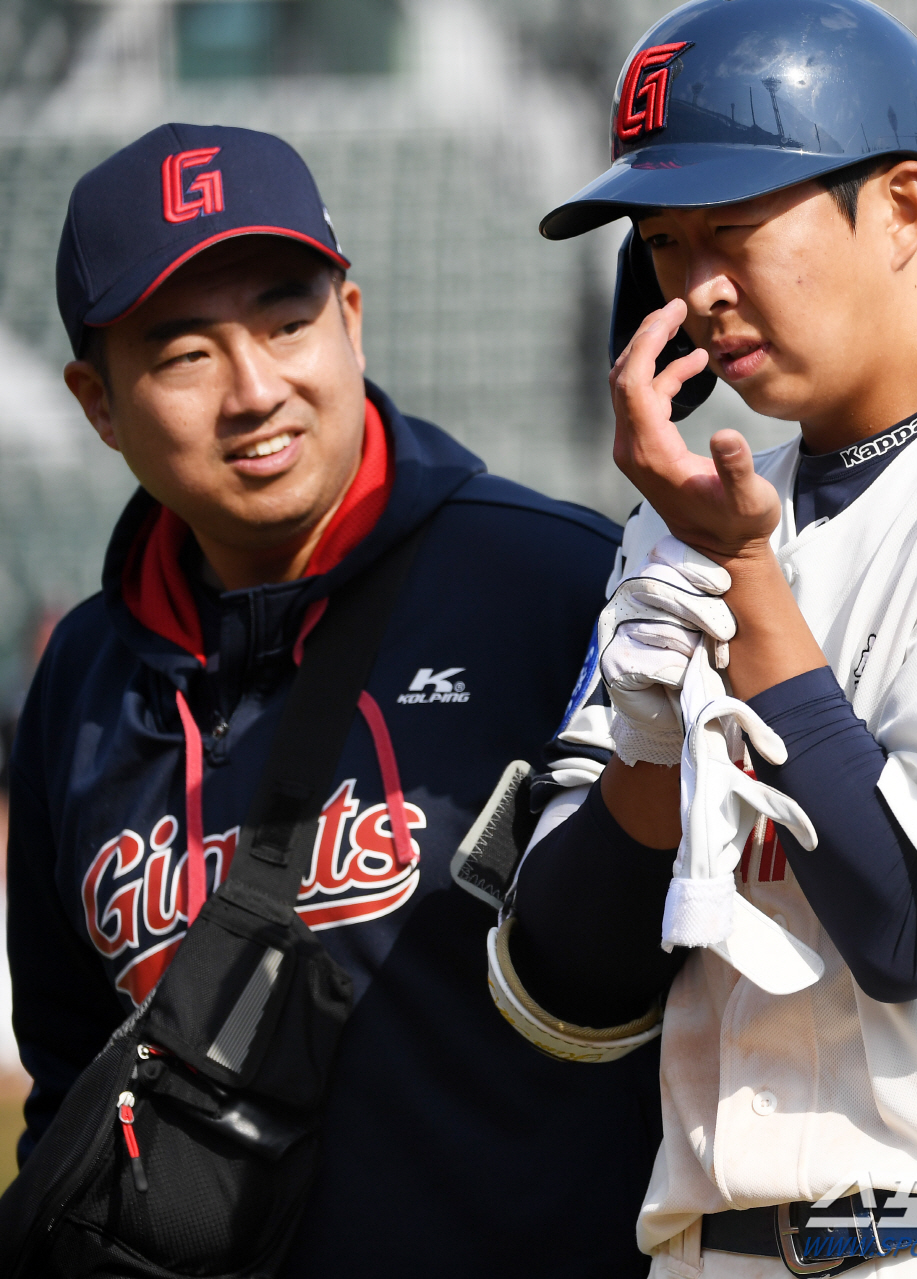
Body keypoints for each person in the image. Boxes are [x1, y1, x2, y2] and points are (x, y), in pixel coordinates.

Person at [496, 1, 917, 1274]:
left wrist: (747, 582)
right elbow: (561, 993)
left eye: (735, 229)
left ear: (906, 210)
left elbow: (909, 925)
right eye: (663, 243)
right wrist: (650, 756)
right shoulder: (680, 525)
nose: (697, 288)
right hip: (721, 1248)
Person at [5, 122, 663, 1277]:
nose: (257, 390)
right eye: (182, 353)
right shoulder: (80, 680)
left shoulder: (559, 587)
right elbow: (68, 1079)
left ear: (351, 319)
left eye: (287, 319)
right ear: (98, 404)